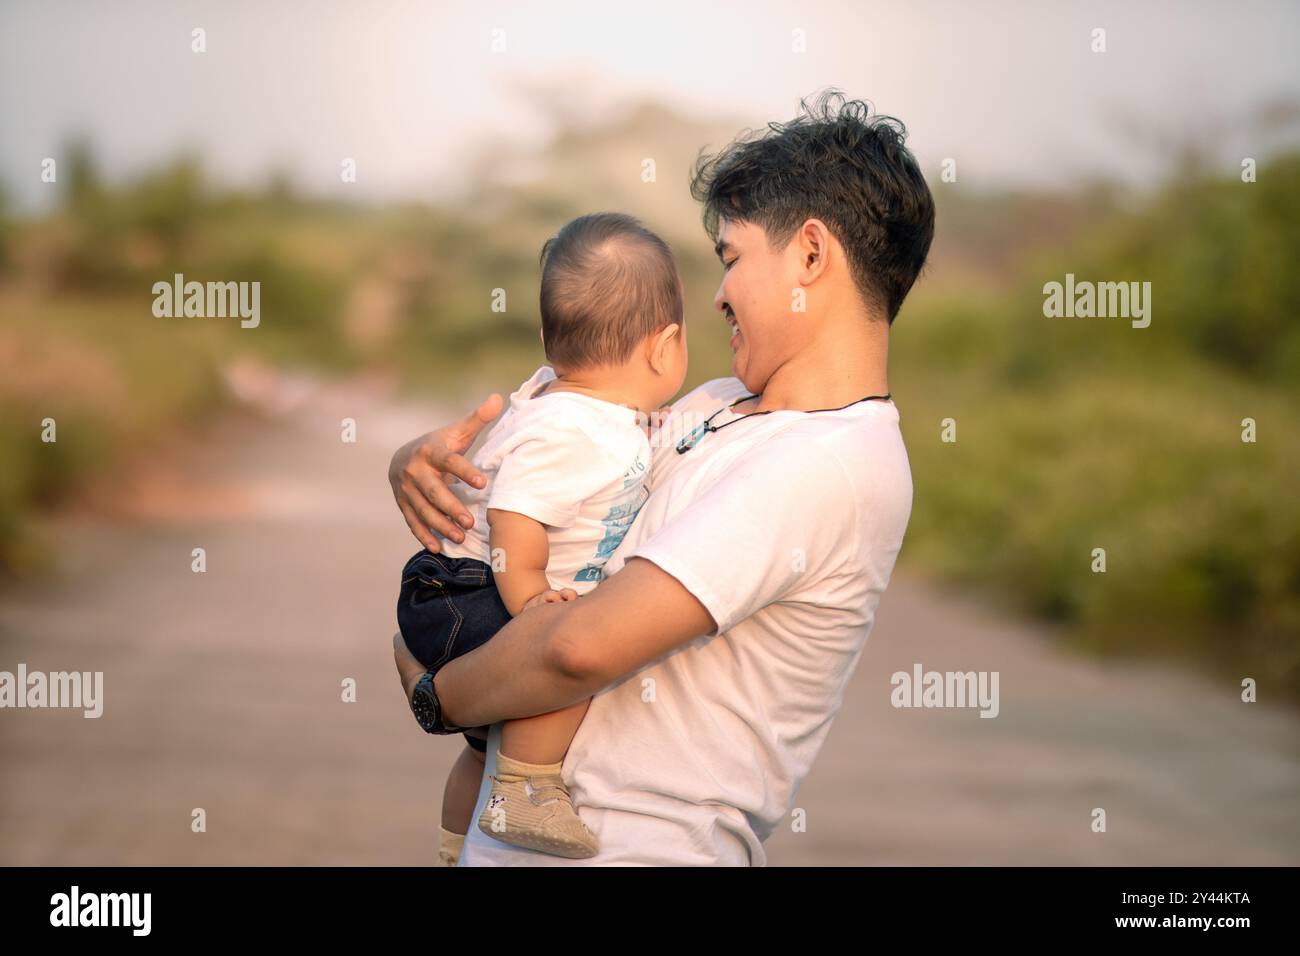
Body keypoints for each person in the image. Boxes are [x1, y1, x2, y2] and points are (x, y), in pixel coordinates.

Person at [390, 90, 935, 865]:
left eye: (733, 258)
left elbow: (576, 650)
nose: (717, 294)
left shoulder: (828, 464)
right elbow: (568, 444)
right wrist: (413, 459)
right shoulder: (719, 405)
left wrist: (435, 696)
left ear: (811, 255)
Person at [395, 212, 687, 862]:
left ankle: (455, 842)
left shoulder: (582, 407)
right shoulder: (573, 432)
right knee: (566, 660)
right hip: (470, 593)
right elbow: (516, 517)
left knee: (481, 744)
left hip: (460, 592)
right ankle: (523, 789)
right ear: (664, 347)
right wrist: (529, 601)